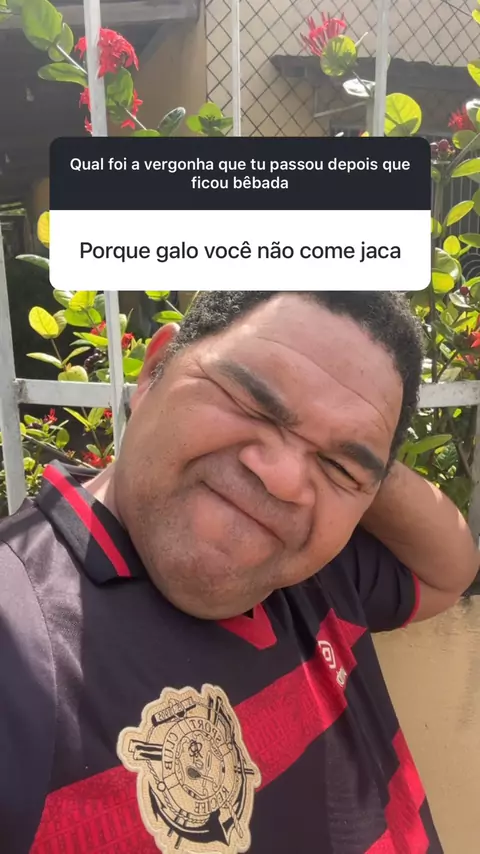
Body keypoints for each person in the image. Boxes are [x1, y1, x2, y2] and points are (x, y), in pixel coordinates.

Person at [0, 291, 477, 854]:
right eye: (253, 403)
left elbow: (451, 568)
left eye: (340, 466)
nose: (283, 479)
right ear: (153, 374)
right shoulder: (21, 631)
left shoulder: (319, 572)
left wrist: (360, 446)